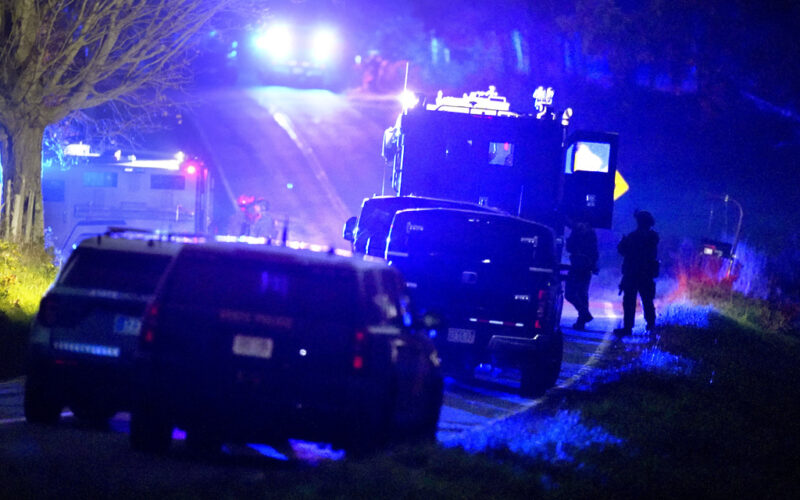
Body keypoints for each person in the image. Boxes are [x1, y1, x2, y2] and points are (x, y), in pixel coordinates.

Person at [614, 210, 659, 335]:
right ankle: (651, 325)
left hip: (633, 273)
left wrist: (623, 241)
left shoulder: (634, 237)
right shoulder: (652, 238)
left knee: (629, 301)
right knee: (647, 301)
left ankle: (628, 328)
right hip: (646, 274)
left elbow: (623, 251)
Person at [565, 219, 599, 330]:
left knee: (571, 293)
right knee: (582, 294)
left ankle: (584, 315)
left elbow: (569, 247)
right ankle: (582, 320)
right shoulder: (591, 234)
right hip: (585, 267)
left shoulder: (578, 232)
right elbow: (594, 252)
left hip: (578, 266)